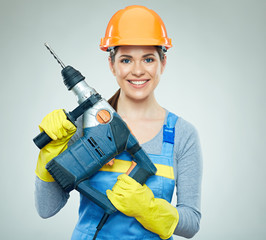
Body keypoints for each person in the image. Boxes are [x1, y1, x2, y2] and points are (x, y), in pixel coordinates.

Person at [35, 5, 202, 240]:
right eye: (126, 60)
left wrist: (149, 209)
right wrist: (47, 156)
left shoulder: (182, 134)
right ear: (111, 64)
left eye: (148, 59)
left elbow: (192, 223)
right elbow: (46, 209)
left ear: (162, 63)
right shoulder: (82, 127)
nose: (137, 70)